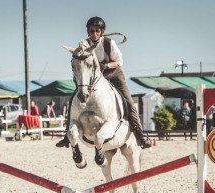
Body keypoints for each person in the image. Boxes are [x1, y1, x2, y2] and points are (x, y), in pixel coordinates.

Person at [56, 16, 151, 149]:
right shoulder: (85, 43)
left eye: (97, 31)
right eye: (92, 31)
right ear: (88, 31)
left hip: (113, 75)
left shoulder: (109, 43)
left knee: (129, 101)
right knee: (73, 100)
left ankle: (140, 135)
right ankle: (67, 136)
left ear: (102, 31)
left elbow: (119, 62)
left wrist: (105, 66)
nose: (94, 34)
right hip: (92, 79)